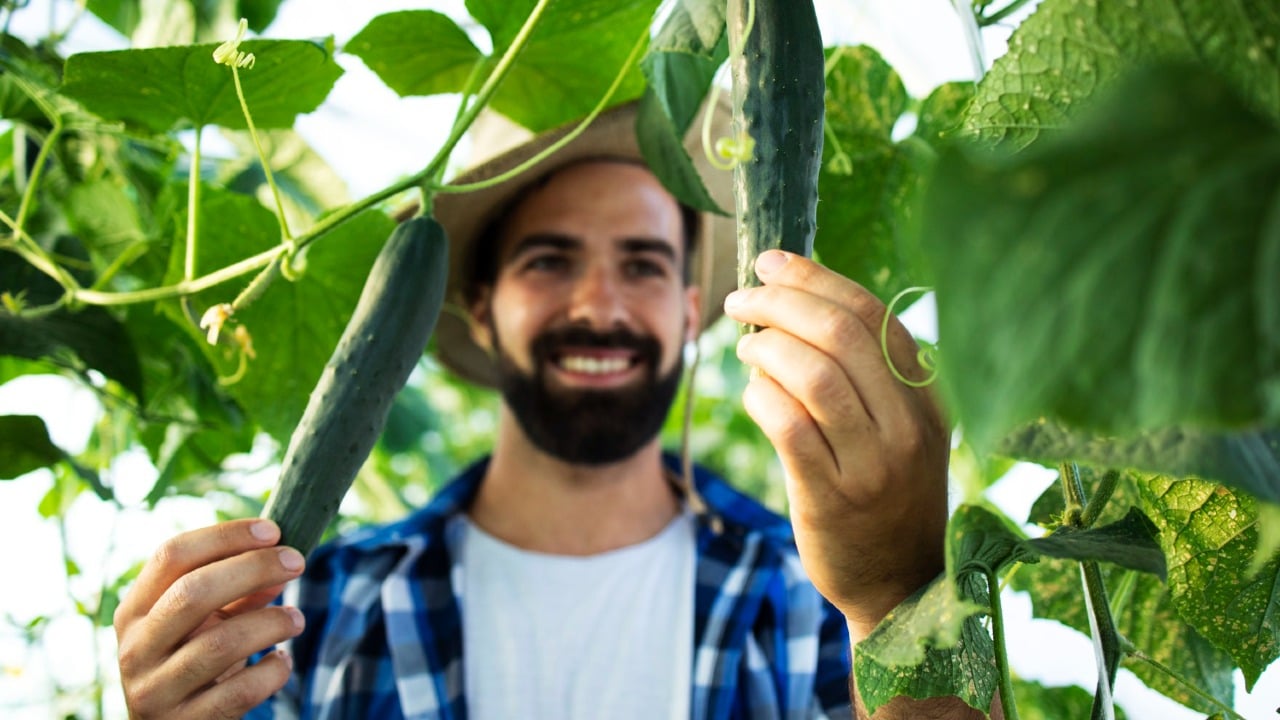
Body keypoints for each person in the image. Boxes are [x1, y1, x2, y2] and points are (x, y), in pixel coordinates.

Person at [112, 98, 978, 719]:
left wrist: (900, 597)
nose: (600, 305)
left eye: (642, 264)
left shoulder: (817, 601)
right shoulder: (312, 617)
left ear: (688, 310)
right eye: (551, 262)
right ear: (480, 305)